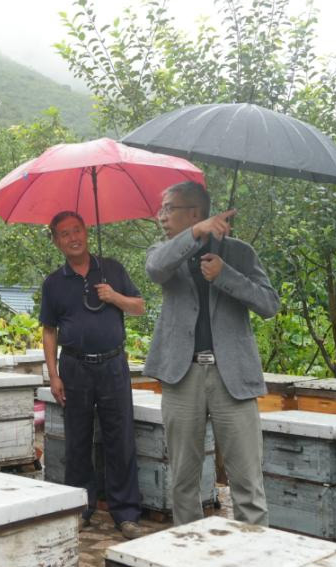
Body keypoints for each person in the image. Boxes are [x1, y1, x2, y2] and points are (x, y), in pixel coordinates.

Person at [145, 181, 279, 525]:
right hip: (181, 376)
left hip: (232, 377)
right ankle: (189, 547)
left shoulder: (240, 253)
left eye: (168, 208)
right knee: (183, 481)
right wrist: (194, 234)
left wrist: (225, 274)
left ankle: (253, 550)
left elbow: (269, 304)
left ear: (194, 211)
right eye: (161, 209)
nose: (161, 217)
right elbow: (155, 269)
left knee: (248, 483)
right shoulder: (165, 252)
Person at [40, 210, 145, 539]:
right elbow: (49, 331)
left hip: (113, 365)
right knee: (77, 440)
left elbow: (139, 306)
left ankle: (125, 513)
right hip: (74, 367)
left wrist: (114, 296)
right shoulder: (54, 283)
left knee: (120, 438)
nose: (73, 238)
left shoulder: (112, 269)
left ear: (86, 231)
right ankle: (80, 508)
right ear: (56, 242)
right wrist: (53, 375)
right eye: (64, 234)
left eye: (77, 230)